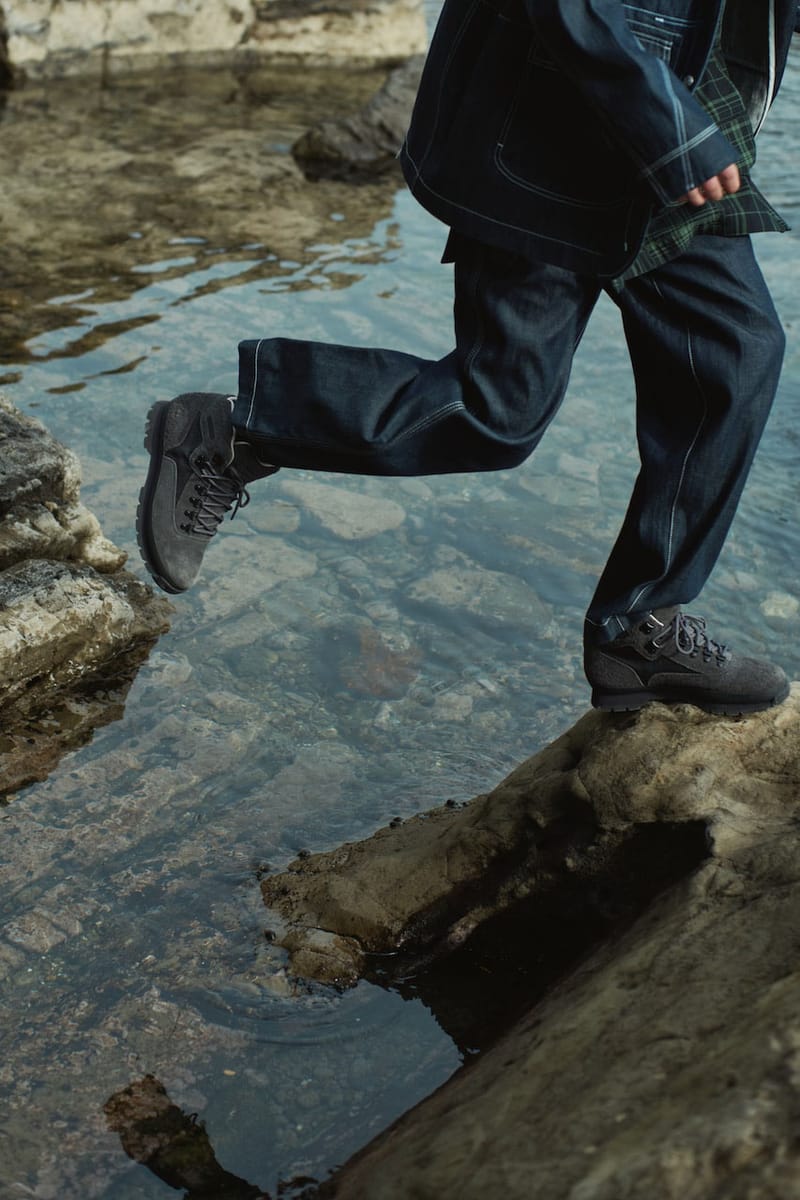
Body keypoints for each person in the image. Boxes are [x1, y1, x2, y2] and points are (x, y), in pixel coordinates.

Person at [136, 0, 799, 716]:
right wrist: (668, 127)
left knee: (736, 353)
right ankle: (232, 429)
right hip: (557, 115)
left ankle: (639, 629)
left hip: (687, 97)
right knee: (498, 410)